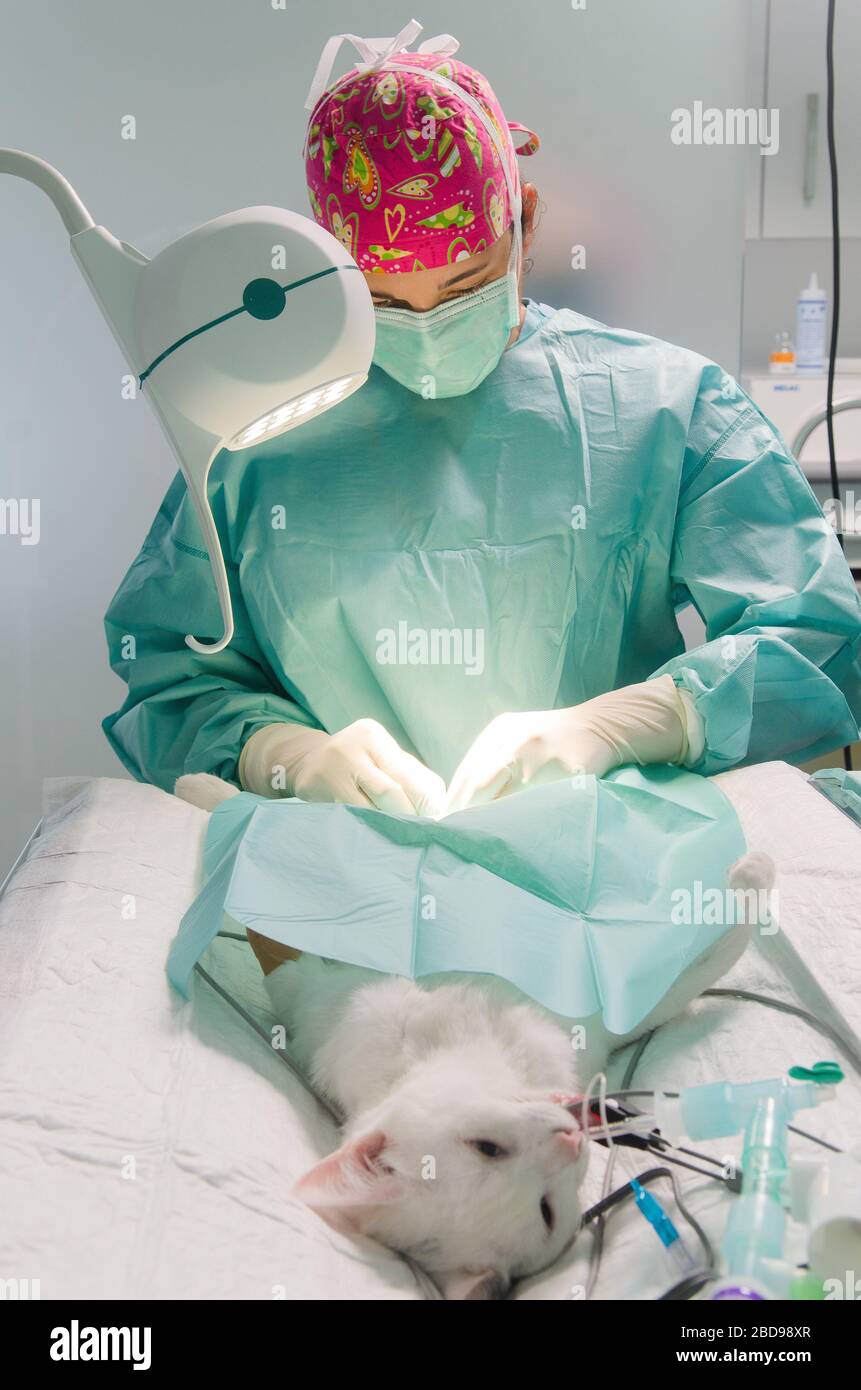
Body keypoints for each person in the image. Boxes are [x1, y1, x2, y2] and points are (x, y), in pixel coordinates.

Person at [104, 28, 861, 818]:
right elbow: (166, 669)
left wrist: (639, 722)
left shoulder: (663, 406)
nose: (428, 321)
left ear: (524, 224)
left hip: (595, 854)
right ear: (330, 261)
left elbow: (811, 634)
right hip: (341, 863)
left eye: (466, 283)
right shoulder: (256, 440)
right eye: (388, 299)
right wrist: (279, 753)